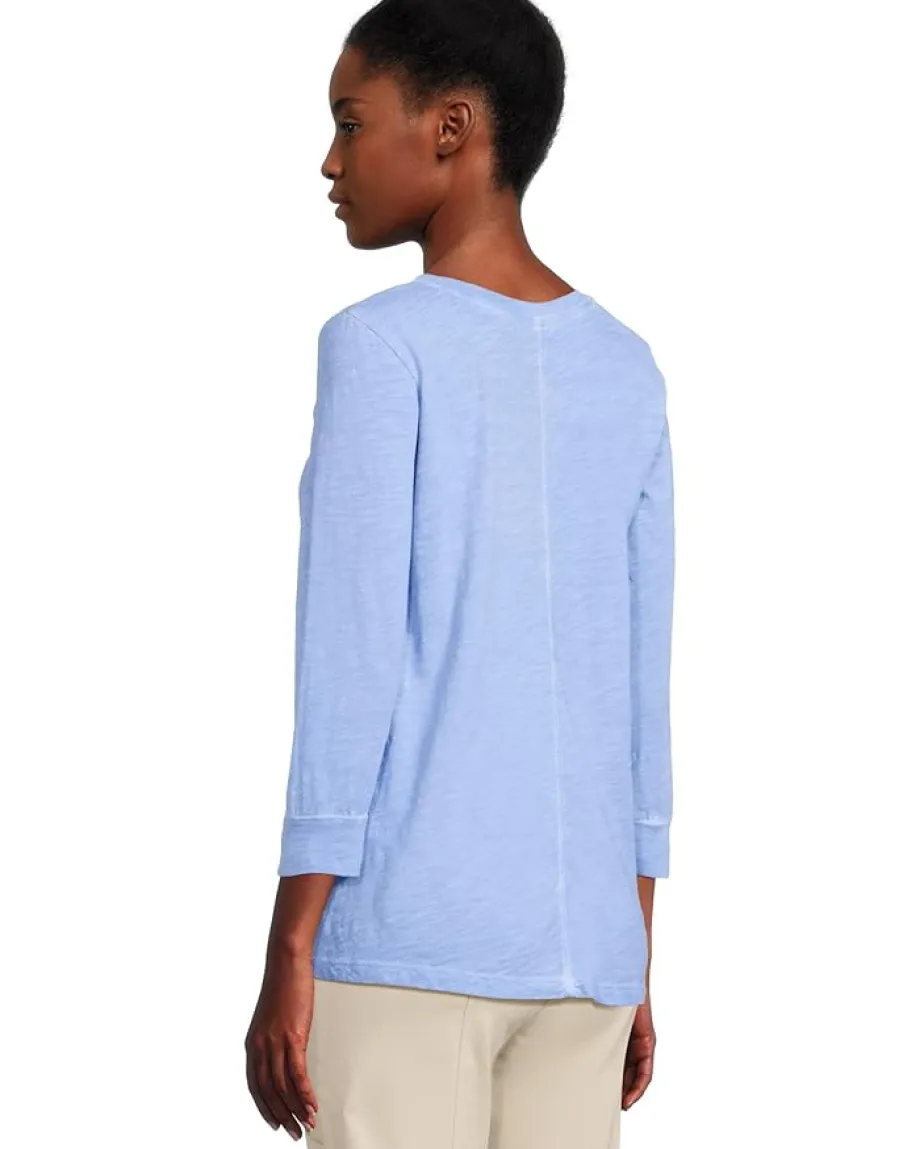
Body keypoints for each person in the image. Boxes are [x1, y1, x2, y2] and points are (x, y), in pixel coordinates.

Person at [244, 1, 676, 1146]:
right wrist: (635, 947)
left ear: (449, 128)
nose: (330, 161)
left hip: (407, 943)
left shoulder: (379, 345)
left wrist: (291, 943)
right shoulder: (624, 367)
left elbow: (350, 660)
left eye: (350, 122)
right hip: (586, 959)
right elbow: (637, 688)